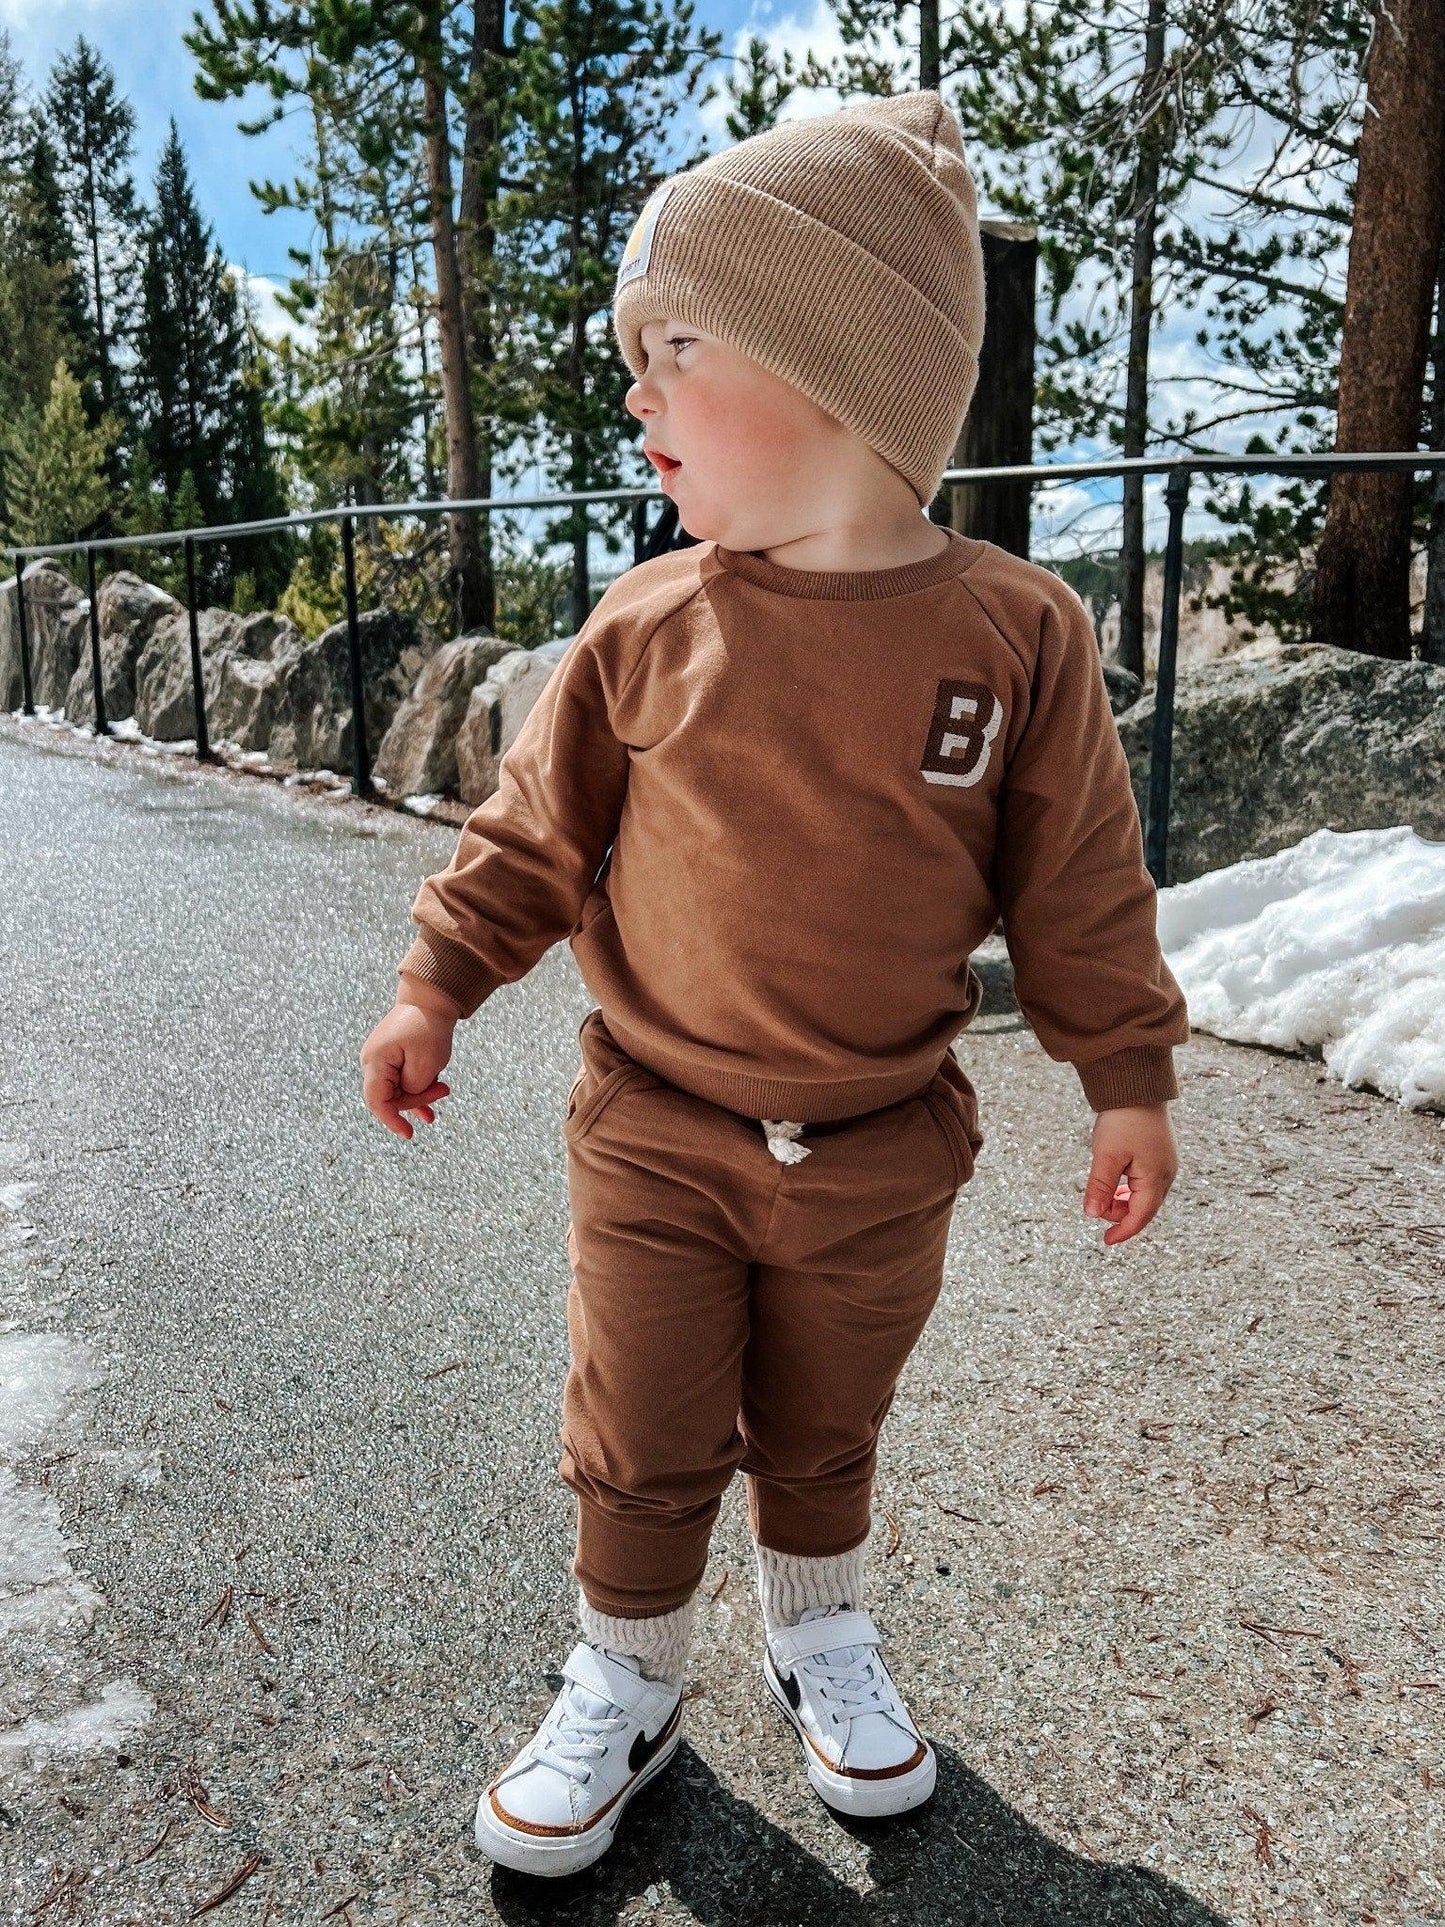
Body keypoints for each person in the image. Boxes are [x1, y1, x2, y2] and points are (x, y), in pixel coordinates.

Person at [358, 87, 1189, 1880]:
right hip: (655, 1126)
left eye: (676, 350)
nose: (634, 397)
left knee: (826, 1422)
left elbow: (1077, 881)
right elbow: (532, 834)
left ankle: (819, 1632)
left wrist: (1125, 1075)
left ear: (841, 369)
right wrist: (436, 982)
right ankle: (627, 1674)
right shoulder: (649, 625)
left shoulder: (1012, 633)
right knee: (642, 1423)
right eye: (633, 361)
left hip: (881, 1144)